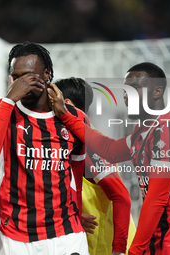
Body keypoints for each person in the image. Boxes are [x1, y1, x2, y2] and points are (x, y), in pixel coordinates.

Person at [47, 62, 170, 255]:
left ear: (157, 91)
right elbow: (109, 150)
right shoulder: (143, 132)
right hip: (158, 241)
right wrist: (67, 116)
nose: (126, 96)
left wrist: (131, 251)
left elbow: (157, 199)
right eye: (125, 90)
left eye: (134, 89)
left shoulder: (168, 129)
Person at [0, 42, 89, 255]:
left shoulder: (74, 118)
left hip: (67, 235)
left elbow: (77, 178)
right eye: (16, 78)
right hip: (18, 238)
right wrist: (9, 99)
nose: (21, 84)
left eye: (28, 76)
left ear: (47, 74)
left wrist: (78, 212)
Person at [55, 77, 135, 255]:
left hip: (110, 248)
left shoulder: (89, 144)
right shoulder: (65, 142)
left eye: (50, 101)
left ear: (66, 103)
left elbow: (122, 197)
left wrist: (119, 251)